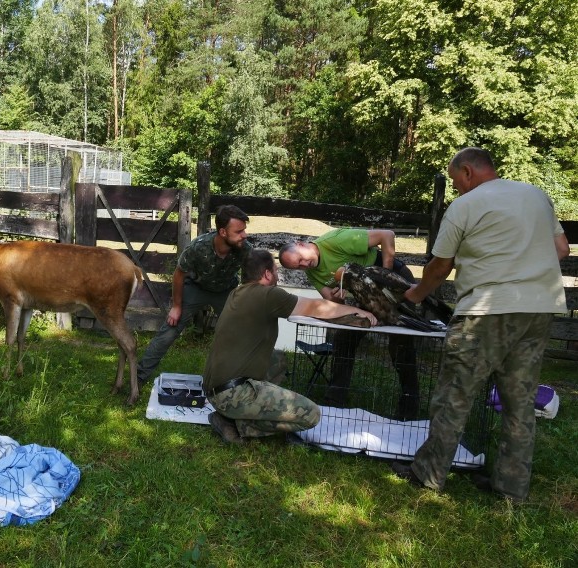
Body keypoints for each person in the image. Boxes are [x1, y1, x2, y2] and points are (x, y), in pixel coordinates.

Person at [391, 147, 568, 502]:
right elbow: (560, 249)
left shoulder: (464, 206)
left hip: (485, 313)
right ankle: (511, 489)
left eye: (456, 181)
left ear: (468, 172)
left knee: (454, 395)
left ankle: (428, 474)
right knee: (519, 402)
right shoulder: (536, 196)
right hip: (537, 309)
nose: (456, 188)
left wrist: (414, 295)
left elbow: (440, 268)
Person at [203, 249, 378, 444]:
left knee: (277, 359)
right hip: (231, 394)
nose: (277, 275)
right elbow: (315, 307)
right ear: (267, 274)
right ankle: (237, 425)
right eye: (275, 270)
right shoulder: (268, 295)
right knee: (311, 414)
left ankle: (234, 413)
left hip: (214, 389)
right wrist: (356, 310)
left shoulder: (237, 292)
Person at [279, 228, 421, 419]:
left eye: (301, 260)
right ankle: (334, 402)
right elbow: (333, 304)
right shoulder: (312, 272)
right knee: (344, 339)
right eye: (299, 267)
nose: (305, 265)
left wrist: (385, 276)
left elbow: (387, 235)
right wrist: (339, 298)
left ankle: (409, 409)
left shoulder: (335, 241)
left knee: (401, 342)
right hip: (367, 297)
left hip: (397, 281)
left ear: (301, 245)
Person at [137, 205, 252, 384]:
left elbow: (252, 276)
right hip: (196, 288)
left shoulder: (245, 249)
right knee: (169, 330)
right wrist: (176, 307)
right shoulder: (199, 246)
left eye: (244, 230)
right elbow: (179, 274)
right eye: (239, 231)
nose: (244, 235)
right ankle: (138, 377)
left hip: (225, 291)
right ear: (222, 232)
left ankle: (243, 382)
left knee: (240, 333)